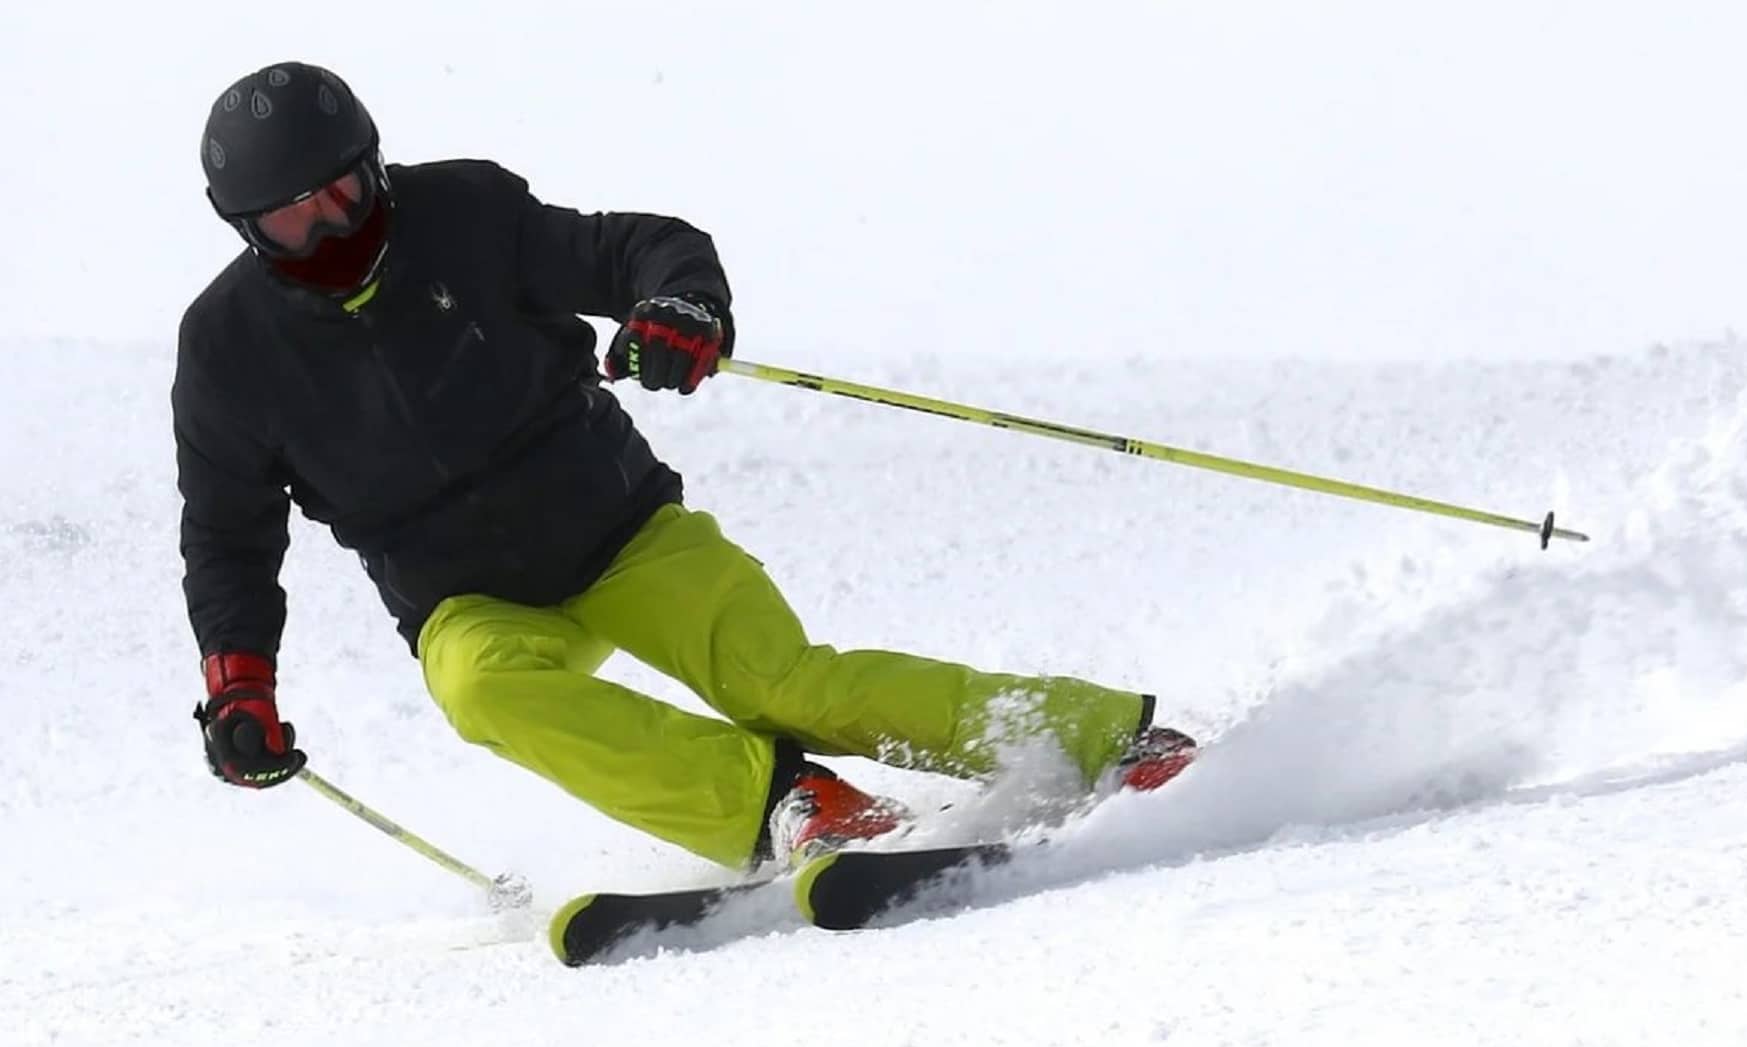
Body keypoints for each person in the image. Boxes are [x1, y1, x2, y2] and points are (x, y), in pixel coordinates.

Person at [177, 61, 1195, 873]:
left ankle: (1099, 739)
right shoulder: (228, 350)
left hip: (618, 532)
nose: (330, 226)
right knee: (481, 690)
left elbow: (645, 249)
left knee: (784, 683)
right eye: (291, 216)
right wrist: (240, 687)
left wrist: (679, 307)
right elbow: (228, 535)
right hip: (465, 597)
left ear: (374, 165)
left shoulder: (466, 215)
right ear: (247, 228)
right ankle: (788, 804)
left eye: (343, 192)